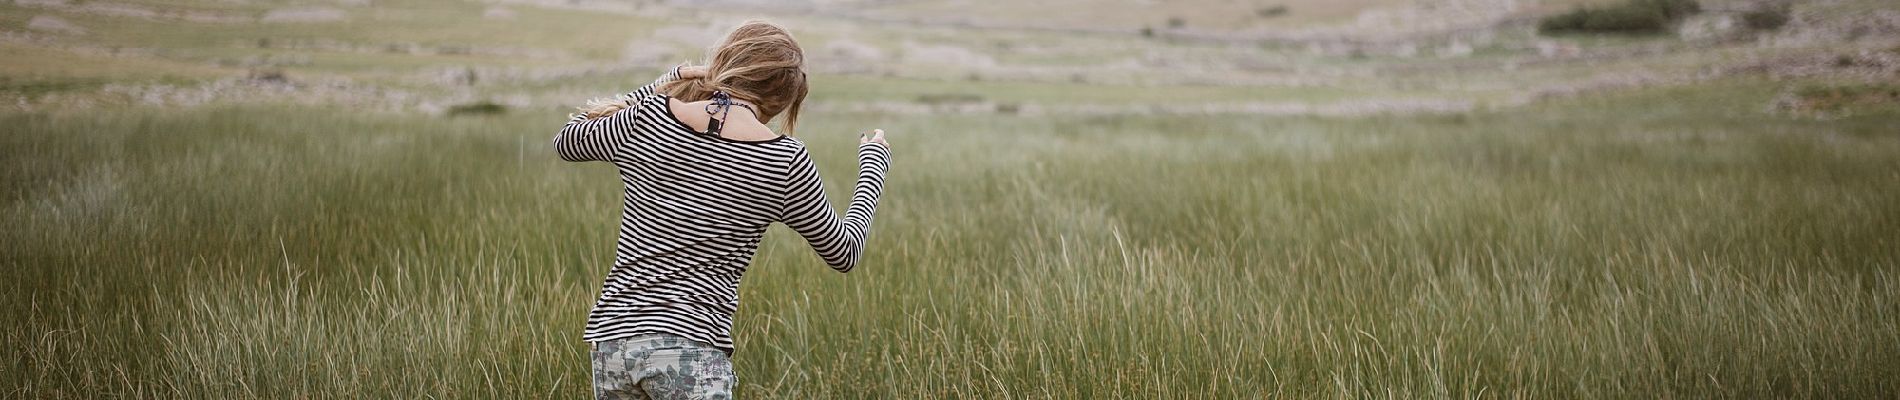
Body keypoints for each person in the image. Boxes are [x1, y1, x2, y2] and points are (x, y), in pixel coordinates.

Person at [552, 20, 891, 400]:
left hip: (613, 345)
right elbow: (844, 253)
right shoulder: (783, 160)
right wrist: (873, 169)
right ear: (783, 98)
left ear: (725, 62)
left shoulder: (650, 117)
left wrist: (663, 84)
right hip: (692, 350)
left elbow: (568, 141)